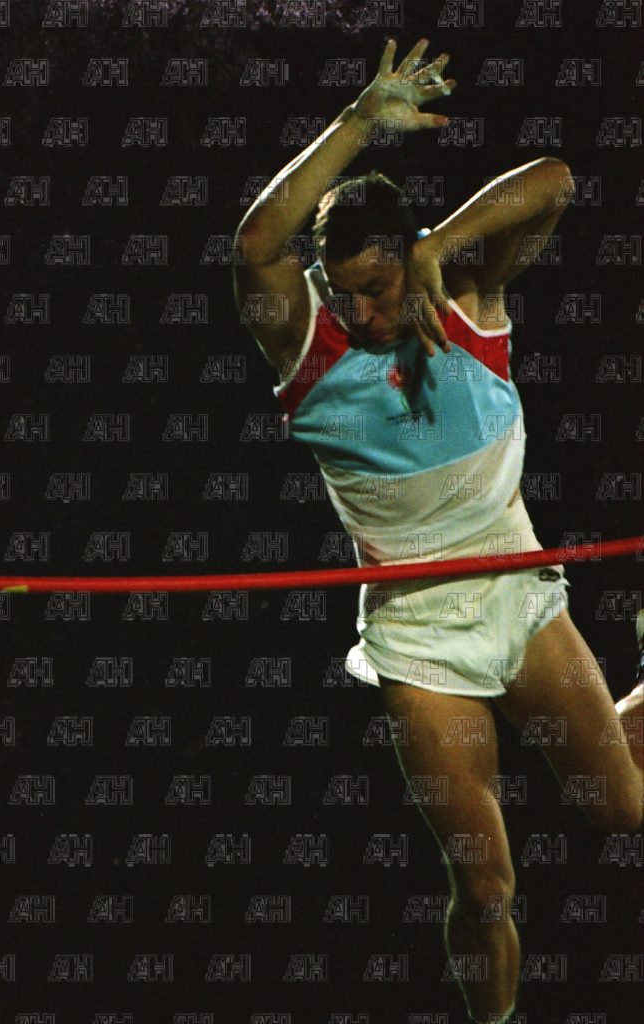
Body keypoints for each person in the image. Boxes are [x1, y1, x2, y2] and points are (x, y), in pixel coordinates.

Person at [233, 37, 644, 1024]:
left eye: (379, 286)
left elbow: (554, 180)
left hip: (519, 598)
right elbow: (255, 244)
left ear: (409, 258)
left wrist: (438, 245)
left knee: (624, 810)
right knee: (485, 881)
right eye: (344, 290)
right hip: (419, 636)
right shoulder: (307, 349)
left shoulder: (469, 303)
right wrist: (356, 122)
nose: (362, 309)